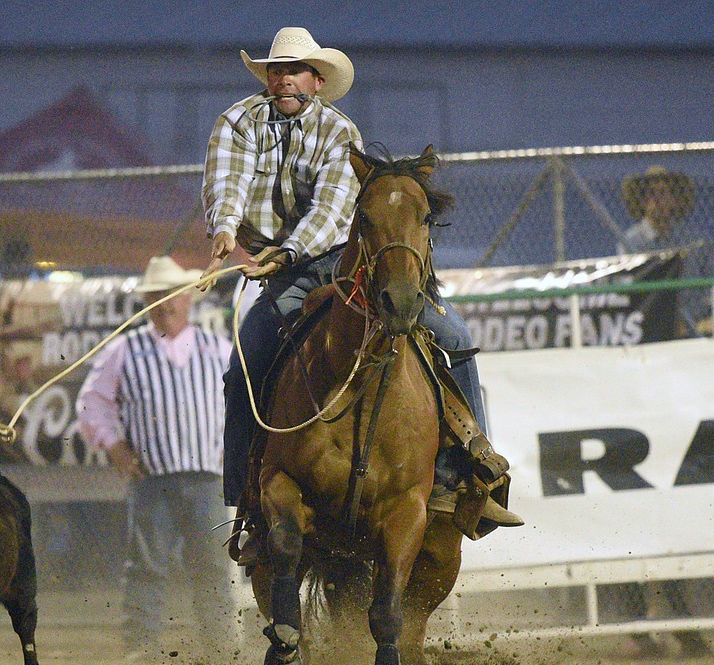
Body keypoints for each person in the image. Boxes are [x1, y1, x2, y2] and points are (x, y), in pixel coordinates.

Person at [199, 27, 521, 551]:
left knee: (454, 336)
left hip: (343, 264)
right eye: (275, 70)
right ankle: (247, 497)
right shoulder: (237, 123)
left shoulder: (338, 133)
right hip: (277, 273)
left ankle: (474, 469)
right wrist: (225, 230)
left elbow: (331, 211)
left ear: (317, 81)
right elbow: (226, 183)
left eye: (293, 69)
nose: (282, 78)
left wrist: (285, 251)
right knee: (245, 365)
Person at [76, 255, 238, 657]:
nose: (167, 303)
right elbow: (91, 403)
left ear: (188, 299)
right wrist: (115, 448)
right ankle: (142, 652)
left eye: (174, 295)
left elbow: (242, 405)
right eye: (159, 296)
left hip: (208, 480)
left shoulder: (219, 349)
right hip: (153, 481)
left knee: (214, 570)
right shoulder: (124, 350)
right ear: (148, 301)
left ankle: (222, 653)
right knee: (147, 568)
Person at [618, 165, 714, 337]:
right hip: (650, 323)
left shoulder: (693, 242)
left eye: (664, 194)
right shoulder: (630, 242)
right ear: (642, 201)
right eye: (652, 194)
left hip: (694, 322)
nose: (658, 201)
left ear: (675, 200)